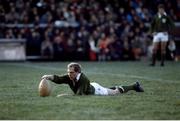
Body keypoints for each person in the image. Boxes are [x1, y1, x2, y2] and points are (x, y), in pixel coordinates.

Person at [41, 62, 144, 96]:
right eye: (68, 71)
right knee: (111, 89)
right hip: (92, 86)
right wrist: (48, 77)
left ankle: (134, 85)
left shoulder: (83, 79)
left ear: (77, 72)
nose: (69, 74)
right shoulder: (70, 76)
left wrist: (64, 96)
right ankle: (134, 86)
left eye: (71, 72)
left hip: (97, 91)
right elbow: (59, 79)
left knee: (115, 92)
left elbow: (79, 95)